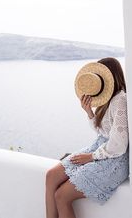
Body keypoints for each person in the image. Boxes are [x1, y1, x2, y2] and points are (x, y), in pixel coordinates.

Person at [45, 57, 129, 218]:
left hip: (114, 160)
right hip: (100, 150)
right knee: (51, 176)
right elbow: (103, 132)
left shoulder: (120, 100)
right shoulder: (110, 99)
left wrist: (91, 157)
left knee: (61, 196)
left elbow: (119, 145)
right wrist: (89, 112)